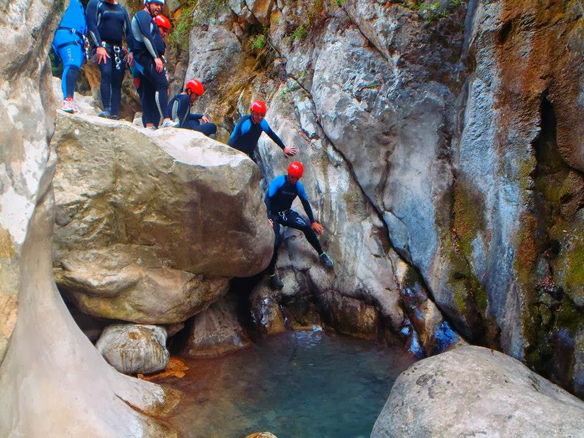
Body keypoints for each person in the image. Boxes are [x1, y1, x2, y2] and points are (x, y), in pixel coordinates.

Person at [264, 161, 333, 288]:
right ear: (289, 174)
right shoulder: (279, 182)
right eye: (292, 177)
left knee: (306, 227)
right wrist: (267, 217)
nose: (294, 180)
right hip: (274, 214)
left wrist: (312, 222)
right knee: (276, 241)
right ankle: (272, 275)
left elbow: (306, 203)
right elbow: (267, 200)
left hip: (286, 213)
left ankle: (322, 254)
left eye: (297, 178)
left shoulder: (298, 187)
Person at [86, 0, 134, 120]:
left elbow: (128, 31)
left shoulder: (121, 9)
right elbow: (92, 26)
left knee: (117, 80)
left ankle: (114, 112)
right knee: (106, 73)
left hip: (117, 48)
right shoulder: (96, 4)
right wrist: (99, 47)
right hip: (103, 46)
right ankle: (106, 109)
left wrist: (131, 50)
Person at [131, 1, 175, 129]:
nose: (159, 8)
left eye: (161, 6)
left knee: (149, 90)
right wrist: (156, 57)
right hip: (146, 58)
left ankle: (150, 124)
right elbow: (145, 36)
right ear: (148, 3)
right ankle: (166, 119)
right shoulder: (142, 16)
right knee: (162, 84)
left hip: (147, 58)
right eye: (156, 4)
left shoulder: (148, 18)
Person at [228, 100, 297, 163]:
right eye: (257, 114)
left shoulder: (262, 123)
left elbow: (272, 135)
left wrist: (284, 148)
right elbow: (233, 139)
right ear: (252, 112)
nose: (260, 117)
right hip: (237, 151)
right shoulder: (245, 124)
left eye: (262, 115)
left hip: (249, 152)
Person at [52, 0, 88, 113]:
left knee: (74, 66)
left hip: (77, 37)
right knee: (71, 65)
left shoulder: (78, 4)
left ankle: (69, 98)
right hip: (66, 34)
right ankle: (68, 100)